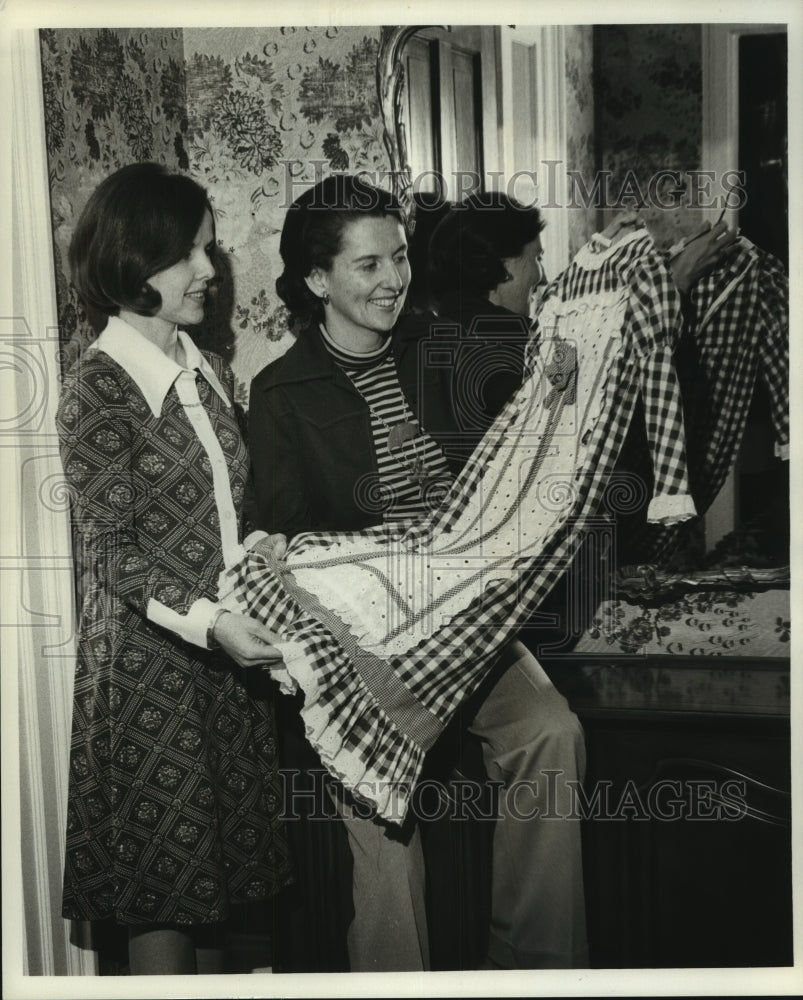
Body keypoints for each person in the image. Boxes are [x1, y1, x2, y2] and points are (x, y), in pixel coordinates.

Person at [248, 174, 588, 971]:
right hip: (365, 642)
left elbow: (530, 403)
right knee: (377, 808)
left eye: (398, 258)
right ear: (316, 280)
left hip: (465, 619)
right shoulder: (280, 394)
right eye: (367, 266)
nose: (393, 279)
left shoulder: (445, 343)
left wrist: (560, 371)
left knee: (551, 732)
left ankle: (539, 971)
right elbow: (295, 540)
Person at [56, 162, 292, 975]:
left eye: (209, 250)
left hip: (223, 665)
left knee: (222, 887)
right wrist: (210, 621)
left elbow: (230, 509)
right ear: (130, 260)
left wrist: (260, 549)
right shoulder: (96, 388)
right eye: (187, 253)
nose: (209, 271)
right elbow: (112, 553)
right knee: (165, 888)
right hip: (152, 674)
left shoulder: (207, 368)